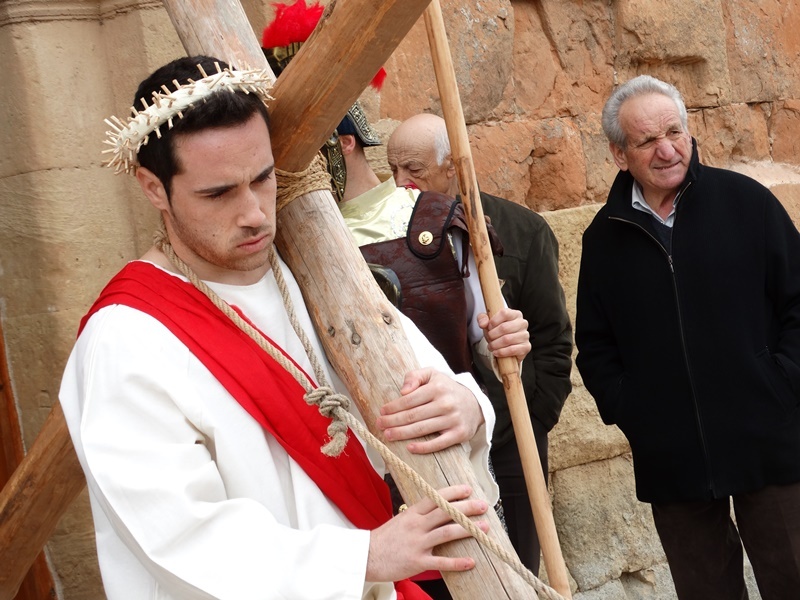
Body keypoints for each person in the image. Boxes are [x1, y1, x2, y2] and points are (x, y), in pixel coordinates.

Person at [58, 55, 537, 600]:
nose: (255, 214)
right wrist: (364, 557)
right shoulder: (125, 339)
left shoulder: (313, 271)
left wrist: (465, 405)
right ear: (153, 188)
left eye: (262, 179)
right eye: (218, 193)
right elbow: (178, 536)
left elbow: (424, 374)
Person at [575, 74, 800, 600]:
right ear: (619, 154)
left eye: (674, 132)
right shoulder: (604, 238)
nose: (667, 149)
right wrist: (634, 411)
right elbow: (596, 345)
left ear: (689, 132)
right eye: (647, 140)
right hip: (672, 458)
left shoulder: (746, 202)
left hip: (768, 439)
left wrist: (783, 383)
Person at [386, 113, 574, 576]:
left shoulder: (521, 231)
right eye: (392, 168)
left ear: (452, 166)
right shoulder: (389, 237)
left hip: (513, 441)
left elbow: (552, 340)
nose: (400, 181)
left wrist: (530, 422)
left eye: (413, 168)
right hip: (435, 443)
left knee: (519, 570)